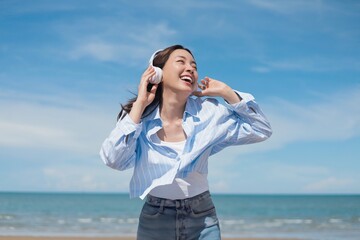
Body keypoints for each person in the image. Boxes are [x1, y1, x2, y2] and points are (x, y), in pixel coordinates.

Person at [100, 44, 272, 240]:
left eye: (194, 66)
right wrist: (140, 103)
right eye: (181, 61)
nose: (190, 68)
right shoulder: (138, 117)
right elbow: (114, 160)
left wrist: (227, 93)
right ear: (157, 73)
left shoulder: (210, 112)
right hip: (155, 221)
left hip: (202, 218)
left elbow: (261, 129)